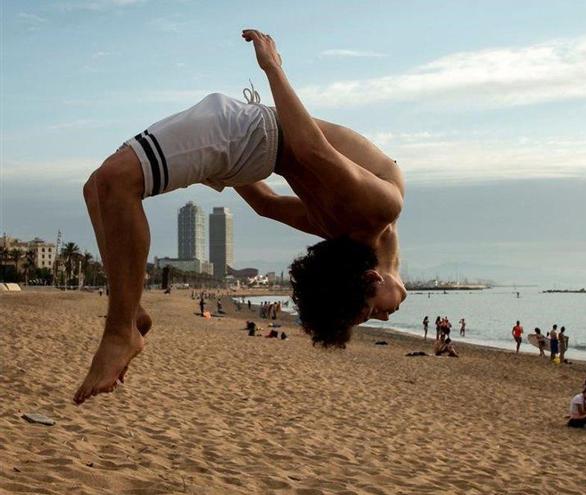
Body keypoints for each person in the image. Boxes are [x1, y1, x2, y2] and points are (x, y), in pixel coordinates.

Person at [74, 28, 407, 404]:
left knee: (110, 184)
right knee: (101, 187)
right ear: (370, 277)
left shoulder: (339, 230)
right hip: (251, 133)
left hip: (244, 148)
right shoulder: (380, 207)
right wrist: (273, 68)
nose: (379, 318)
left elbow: (266, 204)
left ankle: (127, 323)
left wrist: (216, 170)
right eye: (365, 314)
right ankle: (125, 324)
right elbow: (313, 150)